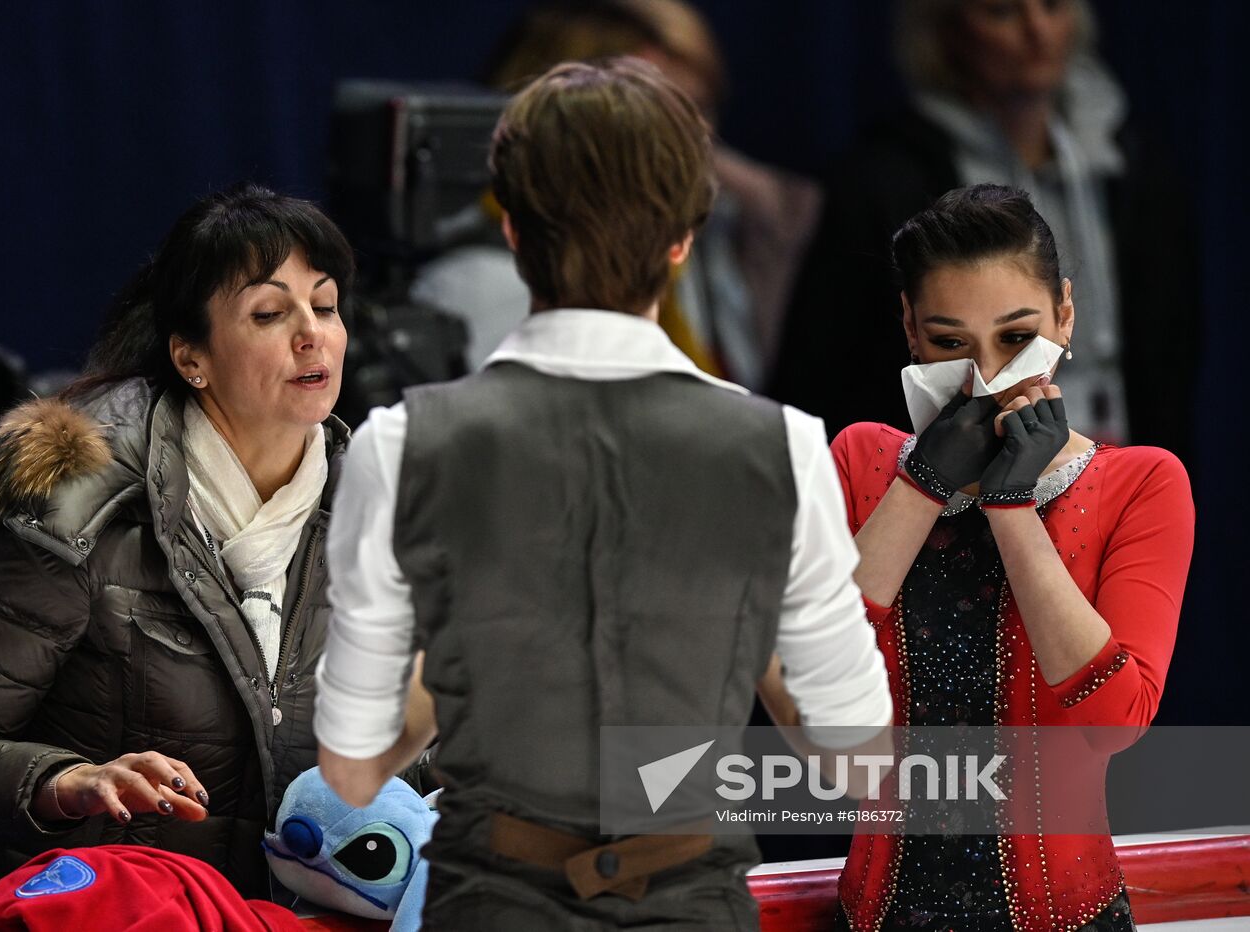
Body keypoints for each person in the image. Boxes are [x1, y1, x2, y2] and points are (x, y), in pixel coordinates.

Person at [315, 58, 893, 931]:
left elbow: (356, 768)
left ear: (511, 229)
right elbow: (856, 759)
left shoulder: (399, 444)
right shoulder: (784, 448)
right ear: (683, 239)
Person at [0, 184, 366, 926]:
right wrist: (65, 781)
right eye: (270, 314)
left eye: (325, 305)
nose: (312, 336)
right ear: (192, 357)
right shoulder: (80, 510)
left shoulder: (379, 517)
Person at [831, 184, 1193, 930]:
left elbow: (1115, 721)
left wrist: (1011, 509)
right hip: (875, 914)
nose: (985, 378)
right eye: (951, 343)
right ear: (909, 330)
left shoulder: (1141, 483)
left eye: (1015, 337)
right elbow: (815, 694)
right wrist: (922, 484)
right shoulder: (862, 461)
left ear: (1065, 313)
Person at [773, 0, 1198, 463]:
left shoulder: (1131, 167)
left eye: (1053, 6)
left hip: (1113, 454)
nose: (1037, 30)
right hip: (949, 483)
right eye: (1002, 12)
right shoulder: (886, 182)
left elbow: (1168, 348)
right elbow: (827, 367)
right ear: (948, 32)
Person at [411, 0, 821, 389]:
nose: (692, 145)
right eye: (658, 117)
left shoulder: (685, 257)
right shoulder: (480, 286)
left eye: (700, 111)